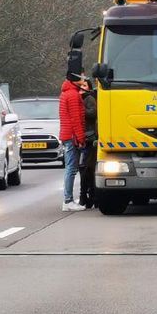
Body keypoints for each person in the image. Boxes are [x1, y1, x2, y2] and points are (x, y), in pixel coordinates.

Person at [59, 74, 87, 212]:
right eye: (81, 78)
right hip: (72, 136)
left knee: (70, 167)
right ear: (75, 80)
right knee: (71, 168)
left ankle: (68, 199)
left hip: (67, 134)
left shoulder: (66, 93)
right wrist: (81, 138)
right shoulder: (73, 95)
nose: (84, 80)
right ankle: (68, 200)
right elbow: (76, 119)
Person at [79, 81, 98, 208]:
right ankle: (86, 195)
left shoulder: (89, 98)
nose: (82, 88)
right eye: (80, 86)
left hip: (90, 138)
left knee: (87, 168)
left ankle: (88, 195)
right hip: (82, 138)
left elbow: (93, 113)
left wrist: (80, 110)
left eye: (84, 86)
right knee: (84, 168)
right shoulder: (80, 98)